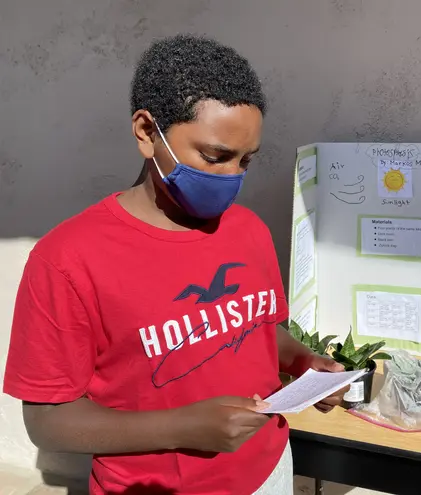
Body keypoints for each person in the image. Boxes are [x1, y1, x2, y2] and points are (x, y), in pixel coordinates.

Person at [3, 34, 346, 495]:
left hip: (270, 470)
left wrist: (304, 362)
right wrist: (183, 427)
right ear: (147, 132)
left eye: (246, 160)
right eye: (215, 156)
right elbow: (48, 422)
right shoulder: (67, 260)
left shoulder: (249, 230)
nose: (233, 177)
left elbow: (255, 330)